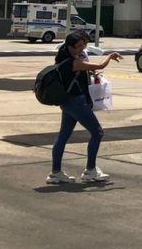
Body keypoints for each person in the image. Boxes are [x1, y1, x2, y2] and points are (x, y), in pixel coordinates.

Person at [48, 31, 121, 184]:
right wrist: (110, 56)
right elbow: (100, 65)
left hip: (67, 102)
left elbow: (88, 70)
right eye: (79, 46)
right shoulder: (72, 62)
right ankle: (90, 170)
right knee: (97, 132)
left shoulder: (66, 60)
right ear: (69, 47)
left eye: (84, 45)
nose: (83, 48)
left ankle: (55, 172)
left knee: (63, 136)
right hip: (77, 103)